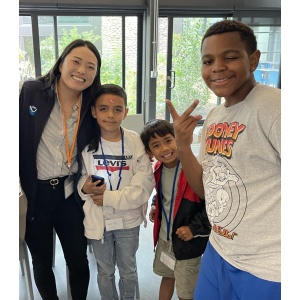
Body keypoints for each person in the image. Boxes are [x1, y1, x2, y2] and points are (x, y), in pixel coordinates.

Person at [166, 20, 281, 300]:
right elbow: (205, 188)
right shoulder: (215, 117)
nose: (217, 67)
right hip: (218, 250)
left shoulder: (275, 107)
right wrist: (182, 145)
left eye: (230, 57)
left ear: (252, 60)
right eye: (208, 60)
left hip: (267, 267)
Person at [19, 39, 102, 300]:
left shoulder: (91, 107)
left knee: (78, 261)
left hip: (70, 195)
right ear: (62, 62)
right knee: (42, 262)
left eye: (91, 66)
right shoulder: (32, 92)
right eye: (76, 61)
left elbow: (112, 131)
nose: (82, 70)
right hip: (36, 195)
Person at [77, 83, 155, 300]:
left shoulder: (134, 141)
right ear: (93, 111)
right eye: (103, 109)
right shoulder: (86, 143)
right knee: (105, 271)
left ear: (125, 112)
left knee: (128, 271)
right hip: (98, 221)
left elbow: (144, 185)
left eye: (117, 109)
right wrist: (84, 187)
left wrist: (108, 197)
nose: (110, 115)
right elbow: (79, 177)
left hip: (128, 220)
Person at [140, 119, 211, 300]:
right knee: (167, 277)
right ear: (150, 152)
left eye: (168, 140)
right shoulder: (158, 169)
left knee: (186, 290)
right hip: (165, 240)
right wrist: (155, 204)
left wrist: (194, 229)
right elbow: (164, 193)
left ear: (178, 139)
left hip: (187, 243)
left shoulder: (193, 170)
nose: (164, 148)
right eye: (156, 145)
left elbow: (210, 206)